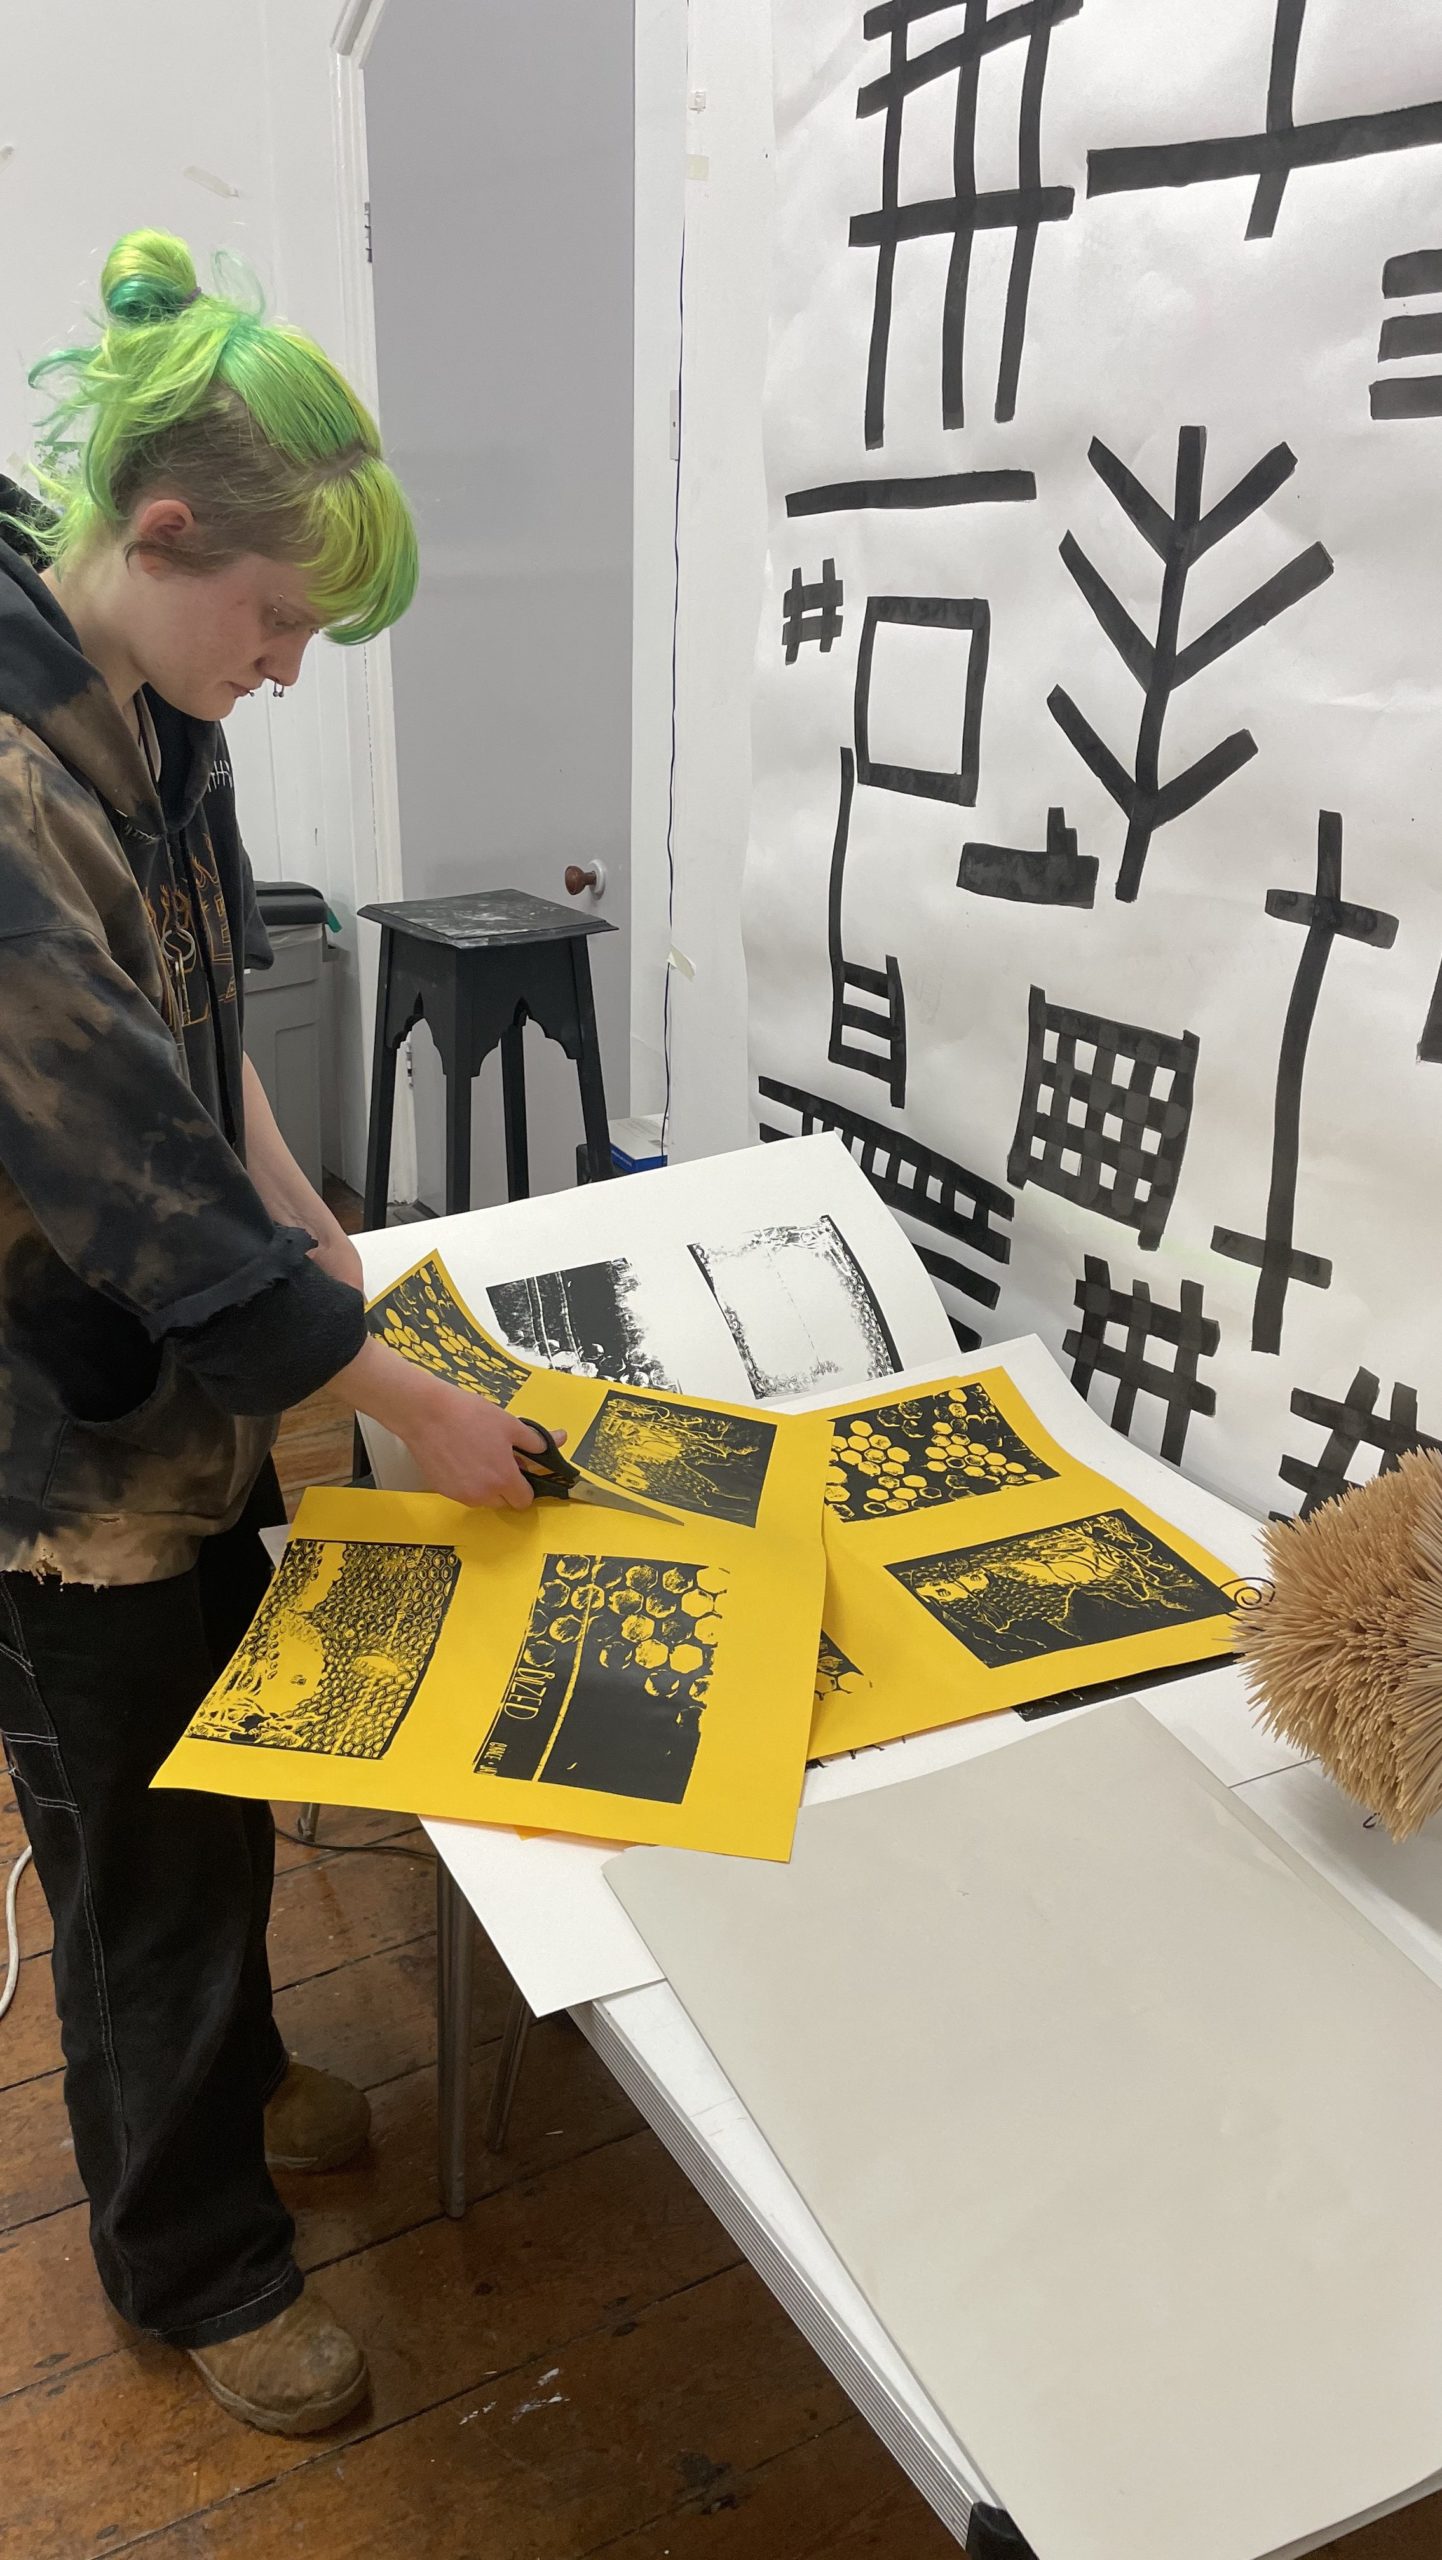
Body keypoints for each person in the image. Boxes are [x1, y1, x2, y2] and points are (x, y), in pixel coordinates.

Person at [0, 231, 552, 2437]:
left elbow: (203, 1034)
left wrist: (342, 1245)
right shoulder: (12, 787)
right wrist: (413, 1400)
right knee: (133, 1842)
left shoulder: (155, 702)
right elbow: (134, 1183)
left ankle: (220, 2073)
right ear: (157, 532)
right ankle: (192, 2255)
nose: (293, 668)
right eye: (278, 620)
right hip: (55, 1434)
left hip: (182, 1398)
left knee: (207, 1786)